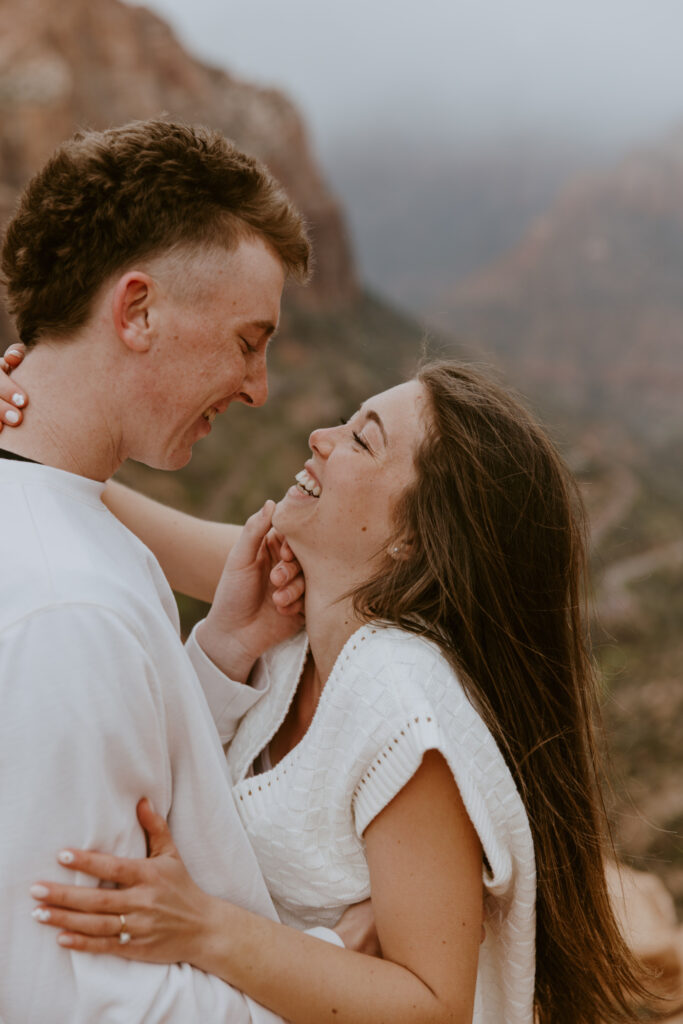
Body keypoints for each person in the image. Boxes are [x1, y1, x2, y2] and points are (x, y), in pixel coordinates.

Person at [5, 359, 653, 1022]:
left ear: (411, 538)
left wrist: (205, 928)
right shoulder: (297, 614)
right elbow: (89, 500)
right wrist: (41, 401)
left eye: (362, 439)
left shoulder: (398, 705)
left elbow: (433, 1008)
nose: (319, 436)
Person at [0, 118, 357, 1024]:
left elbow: (104, 768)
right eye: (247, 339)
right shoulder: (66, 602)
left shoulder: (72, 535)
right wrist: (341, 972)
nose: (260, 388)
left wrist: (225, 649)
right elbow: (71, 998)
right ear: (137, 310)